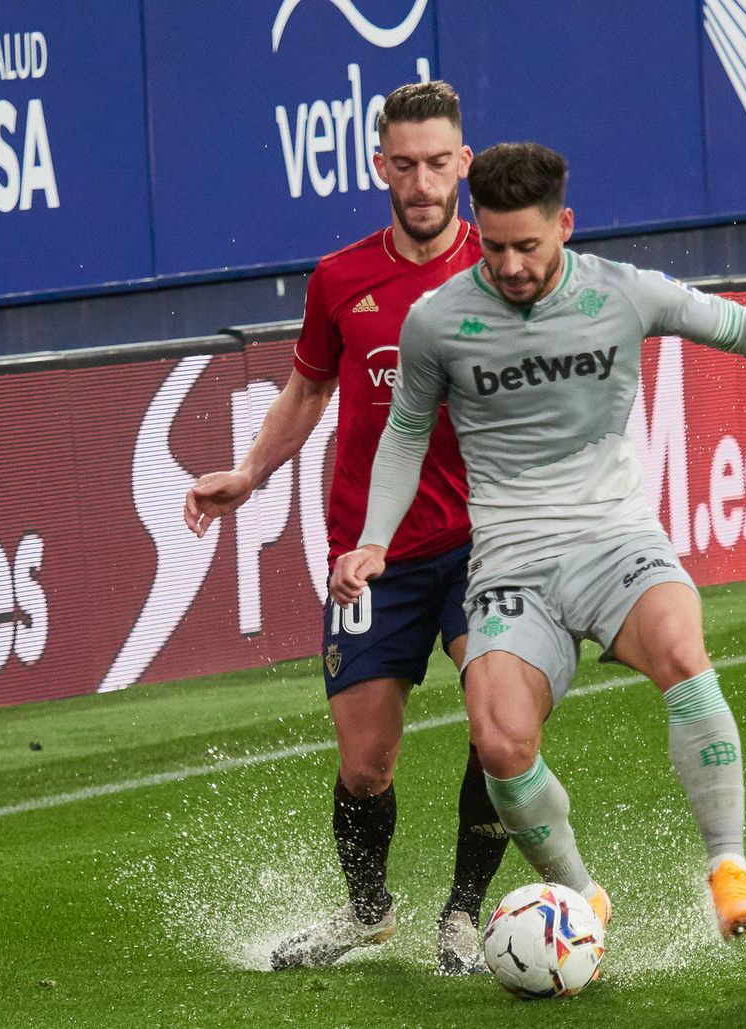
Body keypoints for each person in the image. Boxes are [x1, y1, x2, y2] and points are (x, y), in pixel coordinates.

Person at [330, 142, 746, 940]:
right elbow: (403, 433)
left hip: (615, 542)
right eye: (494, 245)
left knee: (680, 645)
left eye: (527, 246)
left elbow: (731, 320)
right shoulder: (437, 320)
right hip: (509, 563)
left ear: (563, 226)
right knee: (499, 739)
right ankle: (581, 897)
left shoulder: (620, 292)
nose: (509, 265)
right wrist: (373, 540)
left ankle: (729, 866)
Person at [183, 81, 507, 974]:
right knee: (365, 763)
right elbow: (307, 390)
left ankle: (465, 916)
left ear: (464, 165)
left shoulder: (505, 265)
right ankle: (368, 912)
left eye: (439, 162)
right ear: (379, 167)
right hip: (373, 553)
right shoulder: (341, 278)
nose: (422, 180)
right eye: (403, 163)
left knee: (498, 724)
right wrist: (249, 473)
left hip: (488, 542)